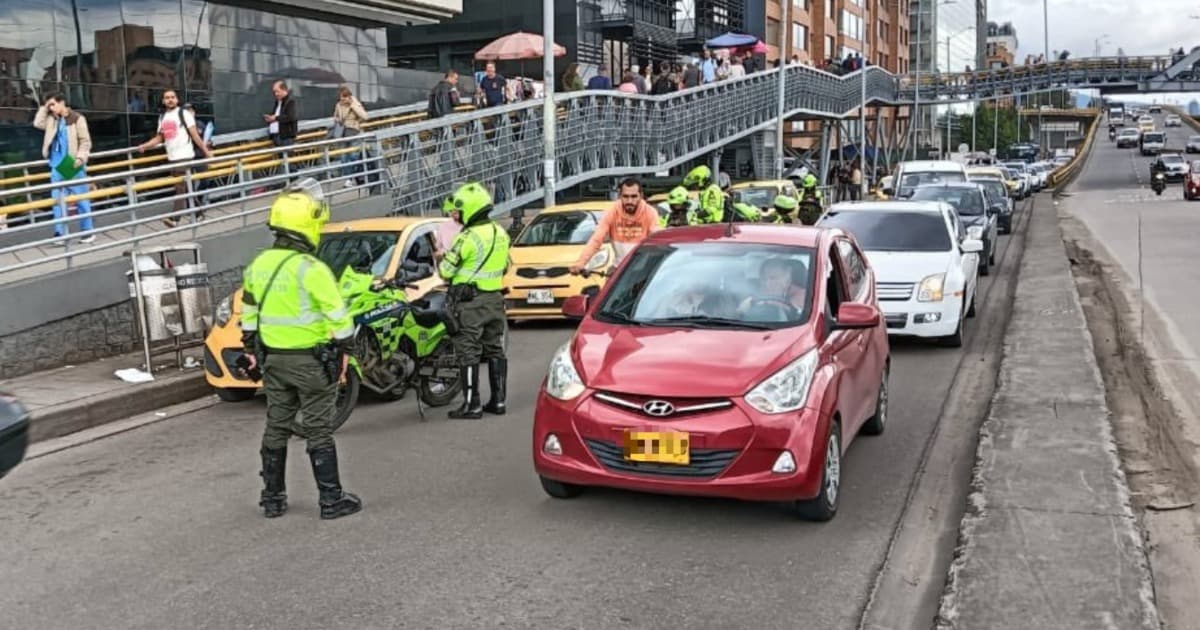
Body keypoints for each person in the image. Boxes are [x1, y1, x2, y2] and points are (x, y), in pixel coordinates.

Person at [238, 177, 362, 521]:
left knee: (276, 425)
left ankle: (273, 499)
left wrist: (251, 349)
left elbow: (249, 316)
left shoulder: (258, 265)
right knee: (318, 429)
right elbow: (339, 318)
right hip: (311, 362)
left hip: (273, 361)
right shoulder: (312, 269)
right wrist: (345, 351)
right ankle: (331, 500)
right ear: (306, 225)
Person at [437, 182, 511, 420]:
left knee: (467, 352)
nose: (455, 216)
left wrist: (442, 258)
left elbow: (446, 271)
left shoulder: (467, 237)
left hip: (470, 303)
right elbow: (507, 264)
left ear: (470, 209)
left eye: (458, 211)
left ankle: (472, 404)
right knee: (494, 349)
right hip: (495, 300)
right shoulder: (500, 232)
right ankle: (499, 401)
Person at [137, 90, 212, 227]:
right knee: (186, 187)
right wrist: (145, 146)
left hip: (185, 156)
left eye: (172, 97)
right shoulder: (162, 117)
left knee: (180, 187)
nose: (170, 100)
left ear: (177, 100)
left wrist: (206, 151)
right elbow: (160, 137)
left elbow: (195, 135)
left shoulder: (184, 114)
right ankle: (199, 213)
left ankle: (175, 219)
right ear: (163, 101)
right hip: (172, 157)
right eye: (167, 98)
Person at [33, 93, 94, 243]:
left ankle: (88, 231)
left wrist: (80, 158)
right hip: (55, 164)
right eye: (50, 105)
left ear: (62, 102)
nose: (52, 108)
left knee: (81, 199)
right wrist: (44, 107)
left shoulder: (77, 118)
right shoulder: (51, 119)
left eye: (53, 104)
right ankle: (60, 233)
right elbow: (37, 123)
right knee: (57, 201)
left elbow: (85, 141)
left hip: (71, 162)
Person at [569, 177, 660, 273]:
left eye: (634, 196)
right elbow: (596, 239)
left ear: (641, 196)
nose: (629, 201)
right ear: (620, 196)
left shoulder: (650, 212)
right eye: (625, 196)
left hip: (642, 270)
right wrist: (581, 263)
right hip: (618, 268)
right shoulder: (612, 211)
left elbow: (657, 240)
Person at [737, 257, 808, 319]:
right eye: (764, 279)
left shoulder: (801, 295)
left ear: (788, 278)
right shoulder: (753, 297)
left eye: (773, 278)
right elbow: (739, 313)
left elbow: (793, 310)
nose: (767, 283)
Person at [264, 80, 298, 147]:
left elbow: (291, 117)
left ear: (284, 90)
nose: (276, 94)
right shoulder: (278, 102)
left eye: (277, 91)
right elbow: (278, 116)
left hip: (286, 137)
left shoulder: (290, 102)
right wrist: (271, 119)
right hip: (277, 136)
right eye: (274, 92)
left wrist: (275, 118)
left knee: (286, 156)